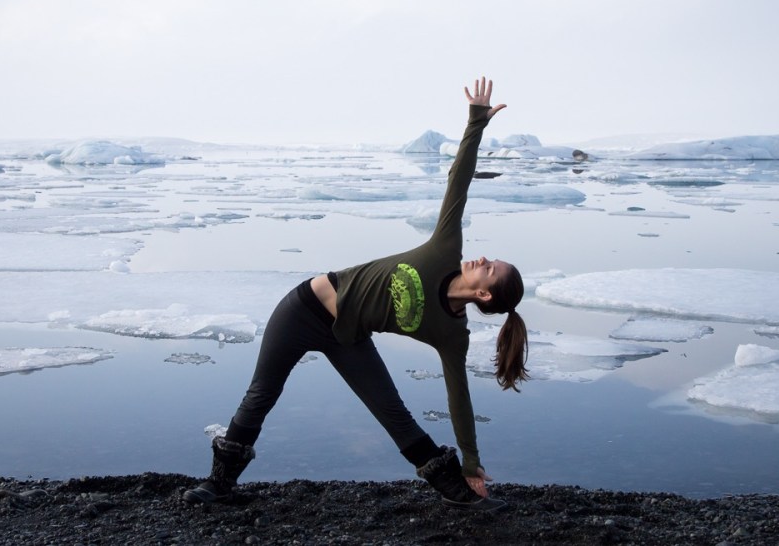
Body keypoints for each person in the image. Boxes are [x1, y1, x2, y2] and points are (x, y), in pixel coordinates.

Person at [183, 77, 529, 512]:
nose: (482, 258)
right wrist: (476, 122)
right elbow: (458, 181)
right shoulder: (445, 248)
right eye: (489, 259)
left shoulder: (452, 334)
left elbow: (458, 396)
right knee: (260, 396)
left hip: (347, 338)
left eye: (491, 268)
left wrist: (472, 463)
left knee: (394, 414)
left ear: (483, 294)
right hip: (304, 309)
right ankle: (218, 484)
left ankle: (459, 491)